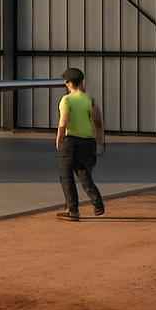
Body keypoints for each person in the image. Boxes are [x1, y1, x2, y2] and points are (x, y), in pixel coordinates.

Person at [55, 67, 106, 221]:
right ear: (82, 82)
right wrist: (100, 142)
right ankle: (97, 203)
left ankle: (73, 210)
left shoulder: (67, 100)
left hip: (71, 141)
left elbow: (64, 121)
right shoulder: (90, 100)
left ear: (69, 83)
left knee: (66, 175)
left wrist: (59, 138)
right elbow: (98, 122)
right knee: (83, 173)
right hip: (88, 142)